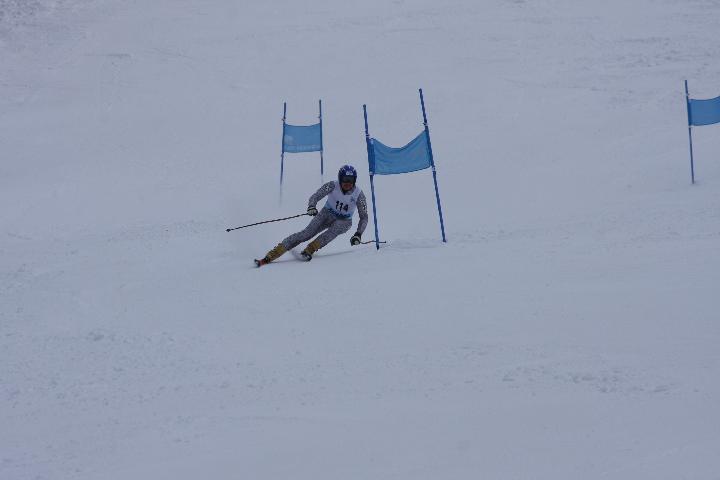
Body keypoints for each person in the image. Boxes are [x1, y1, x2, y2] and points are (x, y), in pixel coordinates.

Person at [255, 165, 369, 266]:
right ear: (340, 178)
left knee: (333, 230)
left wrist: (358, 234)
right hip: (326, 214)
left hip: (344, 221)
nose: (348, 183)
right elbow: (316, 196)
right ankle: (273, 254)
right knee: (306, 233)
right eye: (345, 180)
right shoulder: (332, 185)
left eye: (351, 180)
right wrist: (311, 206)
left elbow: (364, 217)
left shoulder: (359, 194)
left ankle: (309, 250)